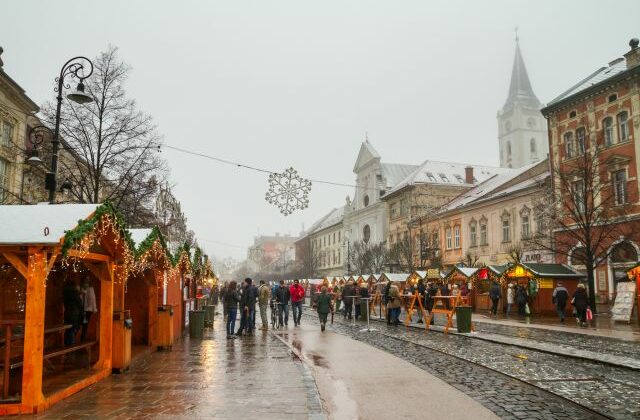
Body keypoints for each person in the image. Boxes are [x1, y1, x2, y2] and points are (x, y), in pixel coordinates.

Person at [63, 278, 83, 346]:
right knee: (72, 330)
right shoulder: (75, 293)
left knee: (67, 330)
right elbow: (79, 303)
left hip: (67, 313)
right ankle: (71, 347)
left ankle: (67, 346)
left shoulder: (65, 292)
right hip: (74, 314)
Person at [79, 277, 97, 342]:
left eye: (87, 280)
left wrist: (93, 309)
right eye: (85, 279)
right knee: (82, 326)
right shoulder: (80, 288)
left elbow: (92, 300)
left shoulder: (90, 289)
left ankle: (82, 340)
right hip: (82, 310)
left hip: (87, 310)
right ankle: (81, 341)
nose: (86, 281)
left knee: (84, 326)